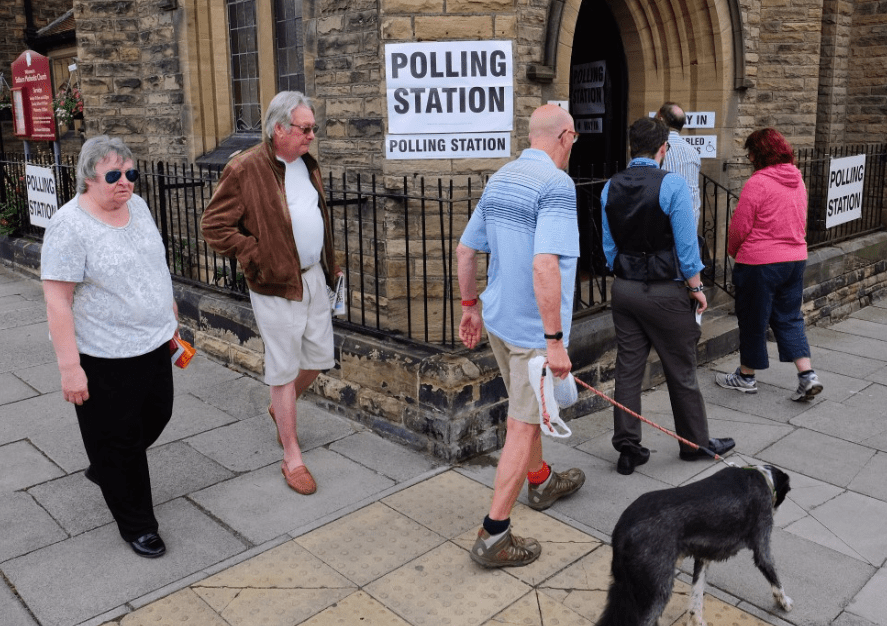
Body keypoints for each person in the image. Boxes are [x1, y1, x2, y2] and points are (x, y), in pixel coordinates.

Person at [457, 104, 586, 568]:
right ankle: (494, 534)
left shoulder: (501, 178)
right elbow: (545, 264)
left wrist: (470, 308)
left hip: (499, 321)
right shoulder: (557, 185)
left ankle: (541, 479)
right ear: (565, 137)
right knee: (522, 424)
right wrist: (554, 341)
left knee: (523, 413)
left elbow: (466, 250)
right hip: (533, 334)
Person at [41, 136, 179, 558]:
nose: (126, 184)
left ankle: (107, 467)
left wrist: (170, 317)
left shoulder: (136, 206)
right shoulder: (70, 226)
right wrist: (70, 367)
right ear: (87, 178)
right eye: (114, 176)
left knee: (158, 414)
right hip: (103, 355)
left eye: (131, 174)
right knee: (120, 442)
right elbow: (57, 300)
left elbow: (155, 263)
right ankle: (138, 524)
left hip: (153, 343)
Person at [201, 91, 340, 495]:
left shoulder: (307, 164)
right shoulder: (246, 168)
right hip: (275, 283)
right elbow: (214, 226)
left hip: (313, 277)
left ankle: (280, 412)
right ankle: (291, 455)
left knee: (317, 359)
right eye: (305, 128)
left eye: (314, 128)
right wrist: (254, 254)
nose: (312, 135)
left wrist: (331, 263)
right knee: (282, 368)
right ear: (279, 128)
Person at [601, 117, 735, 476]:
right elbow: (687, 245)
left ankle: (628, 449)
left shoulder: (610, 186)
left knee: (628, 370)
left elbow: (609, 247)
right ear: (663, 149)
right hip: (665, 290)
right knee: (681, 368)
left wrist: (627, 269)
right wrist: (696, 287)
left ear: (632, 148)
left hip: (625, 289)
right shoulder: (671, 184)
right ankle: (694, 444)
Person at [715, 128, 823, 401]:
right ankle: (807, 376)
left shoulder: (758, 182)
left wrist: (733, 251)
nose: (749, 157)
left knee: (753, 318)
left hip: (760, 263)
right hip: (794, 259)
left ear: (759, 153)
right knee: (789, 317)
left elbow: (740, 227)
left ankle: (746, 376)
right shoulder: (797, 179)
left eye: (750, 151)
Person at [657, 102, 702, 227]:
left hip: (663, 229)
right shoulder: (693, 152)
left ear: (660, 120)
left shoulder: (655, 150)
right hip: (690, 225)